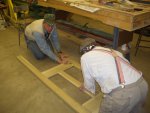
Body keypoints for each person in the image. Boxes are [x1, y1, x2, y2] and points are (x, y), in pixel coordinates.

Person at [80, 38, 148, 113]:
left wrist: (87, 89)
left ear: (85, 50)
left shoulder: (85, 57)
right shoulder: (113, 51)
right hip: (142, 85)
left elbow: (89, 83)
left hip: (124, 94)